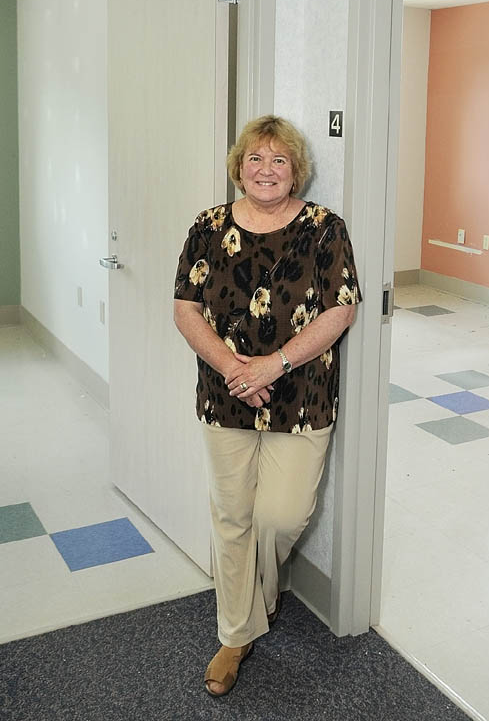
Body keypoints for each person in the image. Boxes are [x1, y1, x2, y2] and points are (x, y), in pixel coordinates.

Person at [173, 114, 361, 696]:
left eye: (279, 160)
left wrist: (272, 365)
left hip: (300, 396)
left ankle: (258, 597)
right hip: (226, 395)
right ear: (239, 167)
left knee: (281, 516)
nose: (266, 170)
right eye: (255, 159)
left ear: (296, 171)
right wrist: (236, 370)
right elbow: (186, 307)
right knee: (232, 516)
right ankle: (235, 635)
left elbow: (341, 308)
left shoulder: (325, 228)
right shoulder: (208, 226)